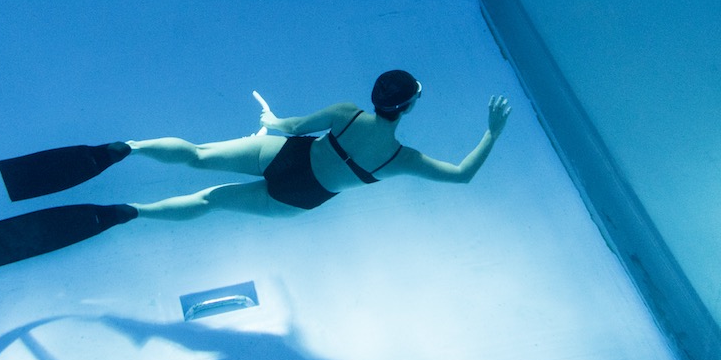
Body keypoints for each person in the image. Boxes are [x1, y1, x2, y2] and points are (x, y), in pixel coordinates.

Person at [105, 70, 511, 225]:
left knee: (195, 155)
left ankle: (132, 147)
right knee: (210, 201)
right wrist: (491, 133)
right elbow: (462, 175)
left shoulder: (345, 113)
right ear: (408, 106)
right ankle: (136, 212)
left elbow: (291, 126)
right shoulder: (399, 159)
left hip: (287, 154)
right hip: (300, 196)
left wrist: (269, 124)